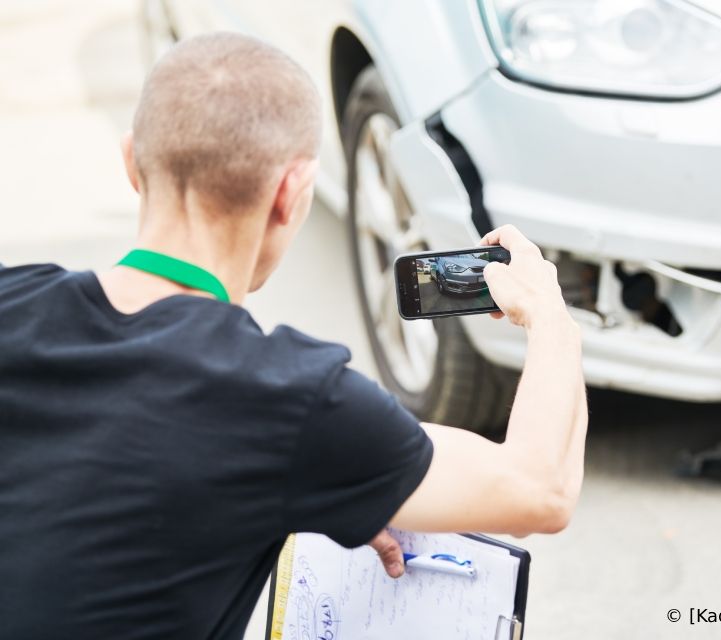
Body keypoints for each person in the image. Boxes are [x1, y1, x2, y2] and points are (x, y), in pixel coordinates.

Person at [0, 33, 587, 639]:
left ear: (132, 162)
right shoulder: (285, 399)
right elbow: (539, 489)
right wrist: (550, 315)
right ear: (291, 193)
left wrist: (336, 484)